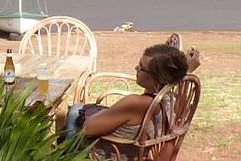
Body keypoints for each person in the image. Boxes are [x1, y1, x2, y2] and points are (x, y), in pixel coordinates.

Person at [60, 34, 199, 143]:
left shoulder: (136, 103)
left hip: (108, 160)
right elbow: (177, 82)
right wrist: (187, 71)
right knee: (77, 109)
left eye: (142, 68)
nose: (136, 68)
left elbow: (87, 129)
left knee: (74, 113)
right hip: (137, 155)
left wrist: (92, 115)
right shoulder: (173, 100)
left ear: (160, 78)